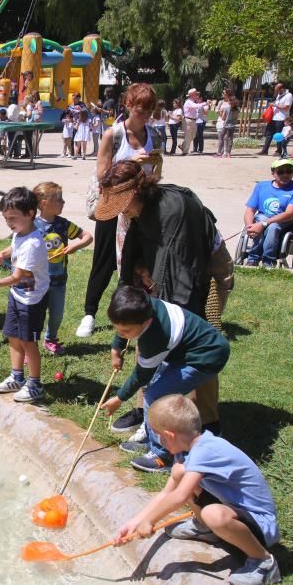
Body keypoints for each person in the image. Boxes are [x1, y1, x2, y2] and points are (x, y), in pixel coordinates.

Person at [96, 160, 228, 445]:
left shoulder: (173, 212)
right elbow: (133, 269)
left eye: (122, 205)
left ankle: (206, 422)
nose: (121, 212)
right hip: (165, 274)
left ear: (135, 195)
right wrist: (119, 341)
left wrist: (160, 320)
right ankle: (148, 412)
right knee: (147, 334)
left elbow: (181, 281)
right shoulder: (140, 212)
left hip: (199, 271)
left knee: (190, 346)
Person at [113, 394, 280, 585]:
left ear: (169, 435)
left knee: (212, 513)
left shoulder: (206, 451)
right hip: (234, 511)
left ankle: (264, 562)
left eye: (156, 434)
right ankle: (206, 528)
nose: (157, 439)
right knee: (178, 472)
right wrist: (135, 522)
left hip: (261, 525)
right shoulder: (185, 450)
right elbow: (167, 493)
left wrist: (151, 522)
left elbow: (180, 496)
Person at [101, 286, 230, 473]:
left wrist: (119, 398)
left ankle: (163, 455)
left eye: (126, 331)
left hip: (205, 357)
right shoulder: (141, 306)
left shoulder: (155, 338)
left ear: (146, 322)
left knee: (155, 395)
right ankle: (151, 438)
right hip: (183, 352)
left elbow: (141, 375)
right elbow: (122, 324)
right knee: (152, 390)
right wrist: (116, 347)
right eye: (117, 329)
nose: (120, 332)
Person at [76, 82, 159, 340]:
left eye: (149, 111)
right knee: (103, 262)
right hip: (112, 208)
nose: (144, 115)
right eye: (140, 110)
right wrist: (131, 163)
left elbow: (156, 176)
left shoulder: (154, 135)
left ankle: (130, 316)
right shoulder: (113, 135)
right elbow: (102, 175)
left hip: (138, 210)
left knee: (134, 265)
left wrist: (156, 164)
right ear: (128, 106)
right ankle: (89, 314)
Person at [0, 187, 49, 403]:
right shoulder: (20, 233)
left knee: (28, 342)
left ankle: (35, 384)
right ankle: (17, 377)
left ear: (31, 213)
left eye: (13, 218)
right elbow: (14, 247)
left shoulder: (34, 244)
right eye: (6, 218)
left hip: (31, 300)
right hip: (18, 296)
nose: (9, 222)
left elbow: (17, 277)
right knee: (13, 337)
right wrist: (3, 253)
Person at [30, 182, 92, 355]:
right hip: (37, 282)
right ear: (43, 204)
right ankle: (31, 345)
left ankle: (50, 339)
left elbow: (87, 236)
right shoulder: (32, 226)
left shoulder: (63, 224)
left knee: (56, 314)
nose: (63, 202)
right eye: (58, 199)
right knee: (36, 315)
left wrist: (76, 246)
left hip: (58, 281)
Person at [242, 158, 293, 267]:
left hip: (286, 220)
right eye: (281, 172)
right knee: (260, 220)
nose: (285, 174)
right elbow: (250, 210)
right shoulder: (261, 186)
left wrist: (263, 224)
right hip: (263, 217)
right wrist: (250, 226)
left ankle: (268, 262)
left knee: (272, 227)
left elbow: (289, 214)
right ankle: (253, 259)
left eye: (289, 171)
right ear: (273, 173)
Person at [259, 82, 292, 156]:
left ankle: (278, 151)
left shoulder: (288, 96)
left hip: (281, 118)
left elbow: (286, 107)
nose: (276, 92)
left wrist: (275, 105)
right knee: (268, 134)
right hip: (273, 118)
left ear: (282, 89)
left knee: (279, 135)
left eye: (277, 90)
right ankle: (264, 150)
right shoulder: (279, 95)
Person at [214, 91, 239, 158]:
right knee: (230, 138)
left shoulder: (226, 108)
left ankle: (219, 152)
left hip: (226, 125)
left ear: (230, 102)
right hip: (233, 125)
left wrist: (221, 113)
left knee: (221, 137)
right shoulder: (237, 110)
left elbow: (223, 118)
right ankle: (228, 153)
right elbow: (236, 118)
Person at [180, 88, 204, 156]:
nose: (197, 95)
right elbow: (196, 106)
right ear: (192, 95)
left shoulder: (192, 101)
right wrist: (204, 103)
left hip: (193, 120)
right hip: (188, 120)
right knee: (188, 136)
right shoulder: (189, 101)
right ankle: (185, 151)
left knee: (193, 136)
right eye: (196, 94)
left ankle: (183, 146)